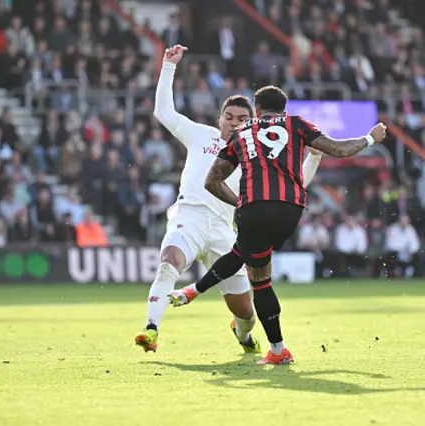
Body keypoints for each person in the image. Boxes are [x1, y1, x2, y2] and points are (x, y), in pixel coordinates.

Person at [172, 85, 386, 364]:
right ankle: (192, 292)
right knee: (243, 253)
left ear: (256, 110)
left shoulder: (241, 133)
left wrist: (239, 202)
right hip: (291, 210)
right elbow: (338, 149)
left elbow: (211, 181)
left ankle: (277, 350)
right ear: (284, 110)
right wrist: (371, 138)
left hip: (254, 209)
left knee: (259, 278)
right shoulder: (296, 124)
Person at [134, 46, 324, 354]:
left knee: (245, 311)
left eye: (242, 118)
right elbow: (163, 113)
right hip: (190, 216)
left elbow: (294, 184)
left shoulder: (256, 150)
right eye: (229, 117)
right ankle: (151, 329)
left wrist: (313, 157)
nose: (234, 123)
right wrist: (168, 66)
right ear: (219, 118)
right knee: (169, 262)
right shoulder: (199, 135)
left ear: (252, 121)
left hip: (227, 229)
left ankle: (244, 334)